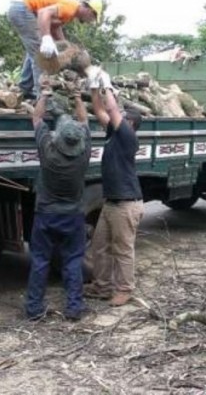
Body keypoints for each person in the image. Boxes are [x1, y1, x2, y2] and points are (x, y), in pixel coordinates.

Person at [24, 78, 92, 321]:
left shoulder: (49, 152)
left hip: (46, 214)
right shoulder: (83, 155)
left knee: (40, 260)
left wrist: (44, 93)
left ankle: (34, 309)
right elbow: (84, 121)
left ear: (58, 138)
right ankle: (74, 308)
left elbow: (37, 118)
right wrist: (76, 97)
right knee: (73, 261)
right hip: (72, 216)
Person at [84, 68, 144, 307]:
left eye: (122, 116)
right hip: (111, 203)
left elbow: (111, 109)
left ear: (129, 123)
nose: (116, 116)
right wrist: (92, 86)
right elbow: (99, 109)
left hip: (126, 204)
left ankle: (125, 289)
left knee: (123, 249)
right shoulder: (112, 134)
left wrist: (106, 83)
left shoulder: (129, 137)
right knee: (99, 247)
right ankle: (102, 286)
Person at [8, 0, 103, 99]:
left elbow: (55, 26)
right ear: (89, 10)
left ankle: (25, 88)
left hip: (22, 8)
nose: (89, 21)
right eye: (92, 18)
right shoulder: (71, 8)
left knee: (34, 52)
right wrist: (46, 38)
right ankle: (43, 97)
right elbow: (43, 13)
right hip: (23, 10)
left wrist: (66, 46)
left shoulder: (70, 12)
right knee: (42, 54)